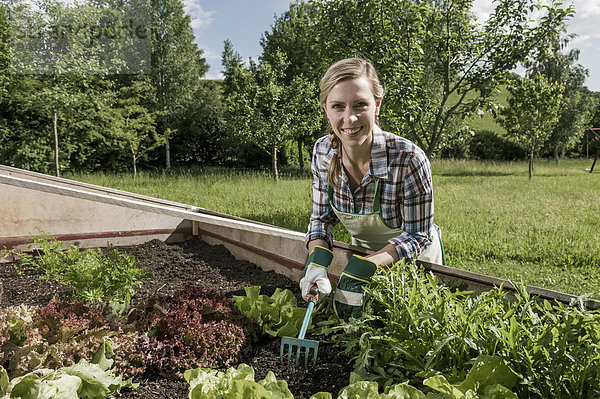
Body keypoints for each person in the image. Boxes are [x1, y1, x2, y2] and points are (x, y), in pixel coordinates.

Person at [299, 57, 444, 320]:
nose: (349, 118)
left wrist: (367, 265)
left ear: (377, 105)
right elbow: (321, 219)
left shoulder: (408, 158)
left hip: (416, 263)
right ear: (326, 110)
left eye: (360, 105)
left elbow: (418, 235)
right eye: (338, 106)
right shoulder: (322, 152)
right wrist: (316, 262)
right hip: (362, 259)